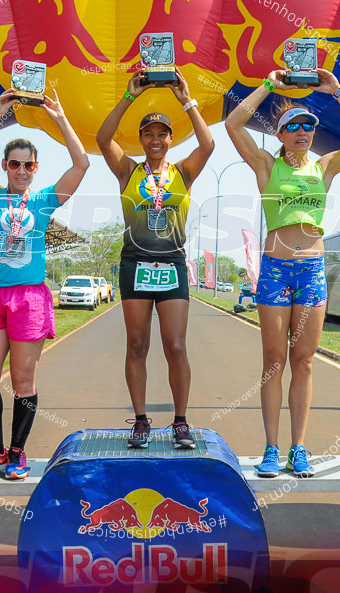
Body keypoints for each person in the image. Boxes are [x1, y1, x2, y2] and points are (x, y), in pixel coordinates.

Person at [225, 67, 340, 477]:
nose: (302, 132)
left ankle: (299, 448)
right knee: (274, 362)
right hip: (275, 271)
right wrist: (269, 86)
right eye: (293, 126)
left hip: (311, 270)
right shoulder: (264, 165)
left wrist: (337, 90)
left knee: (304, 361)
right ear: (279, 135)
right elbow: (232, 123)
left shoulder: (325, 166)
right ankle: (272, 449)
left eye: (308, 126)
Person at [0, 88, 88, 480]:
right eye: (14, 164)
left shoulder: (45, 199)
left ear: (36, 168)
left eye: (27, 165)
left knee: (25, 380)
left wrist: (60, 116)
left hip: (29, 298)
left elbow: (81, 164)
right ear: (5, 165)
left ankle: (17, 453)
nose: (21, 170)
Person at [96, 70, 214, 449]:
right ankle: (142, 422)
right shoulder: (128, 170)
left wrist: (187, 100)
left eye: (163, 133)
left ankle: (180, 421)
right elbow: (102, 138)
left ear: (170, 138)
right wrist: (130, 97)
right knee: (136, 345)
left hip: (172, 265)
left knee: (175, 346)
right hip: (135, 264)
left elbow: (208, 144)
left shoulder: (183, 172)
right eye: (149, 133)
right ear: (142, 139)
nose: (156, 139)